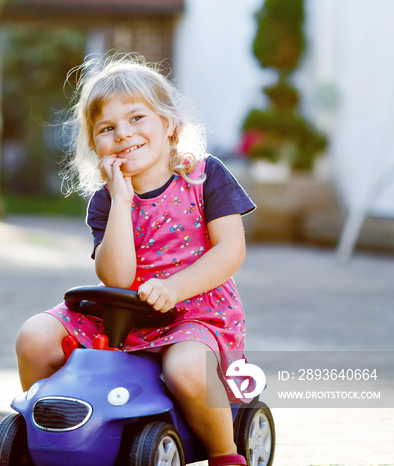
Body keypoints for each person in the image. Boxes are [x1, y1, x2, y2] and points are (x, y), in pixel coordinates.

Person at [15, 53, 256, 466]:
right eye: (107, 128)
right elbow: (117, 276)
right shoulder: (107, 202)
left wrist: (174, 287)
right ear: (96, 146)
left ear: (169, 124)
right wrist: (122, 200)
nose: (123, 134)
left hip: (192, 312)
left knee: (186, 371)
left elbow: (230, 250)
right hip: (121, 315)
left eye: (136, 118)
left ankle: (224, 453)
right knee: (34, 337)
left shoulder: (204, 176)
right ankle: (53, 434)